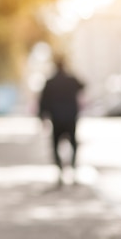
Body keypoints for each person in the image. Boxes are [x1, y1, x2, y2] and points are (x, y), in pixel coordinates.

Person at [38, 56, 84, 186]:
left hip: (56, 117)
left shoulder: (50, 82)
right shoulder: (71, 79)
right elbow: (83, 85)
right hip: (70, 117)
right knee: (73, 143)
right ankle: (73, 167)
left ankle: (60, 169)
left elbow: (43, 100)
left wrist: (42, 116)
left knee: (56, 144)